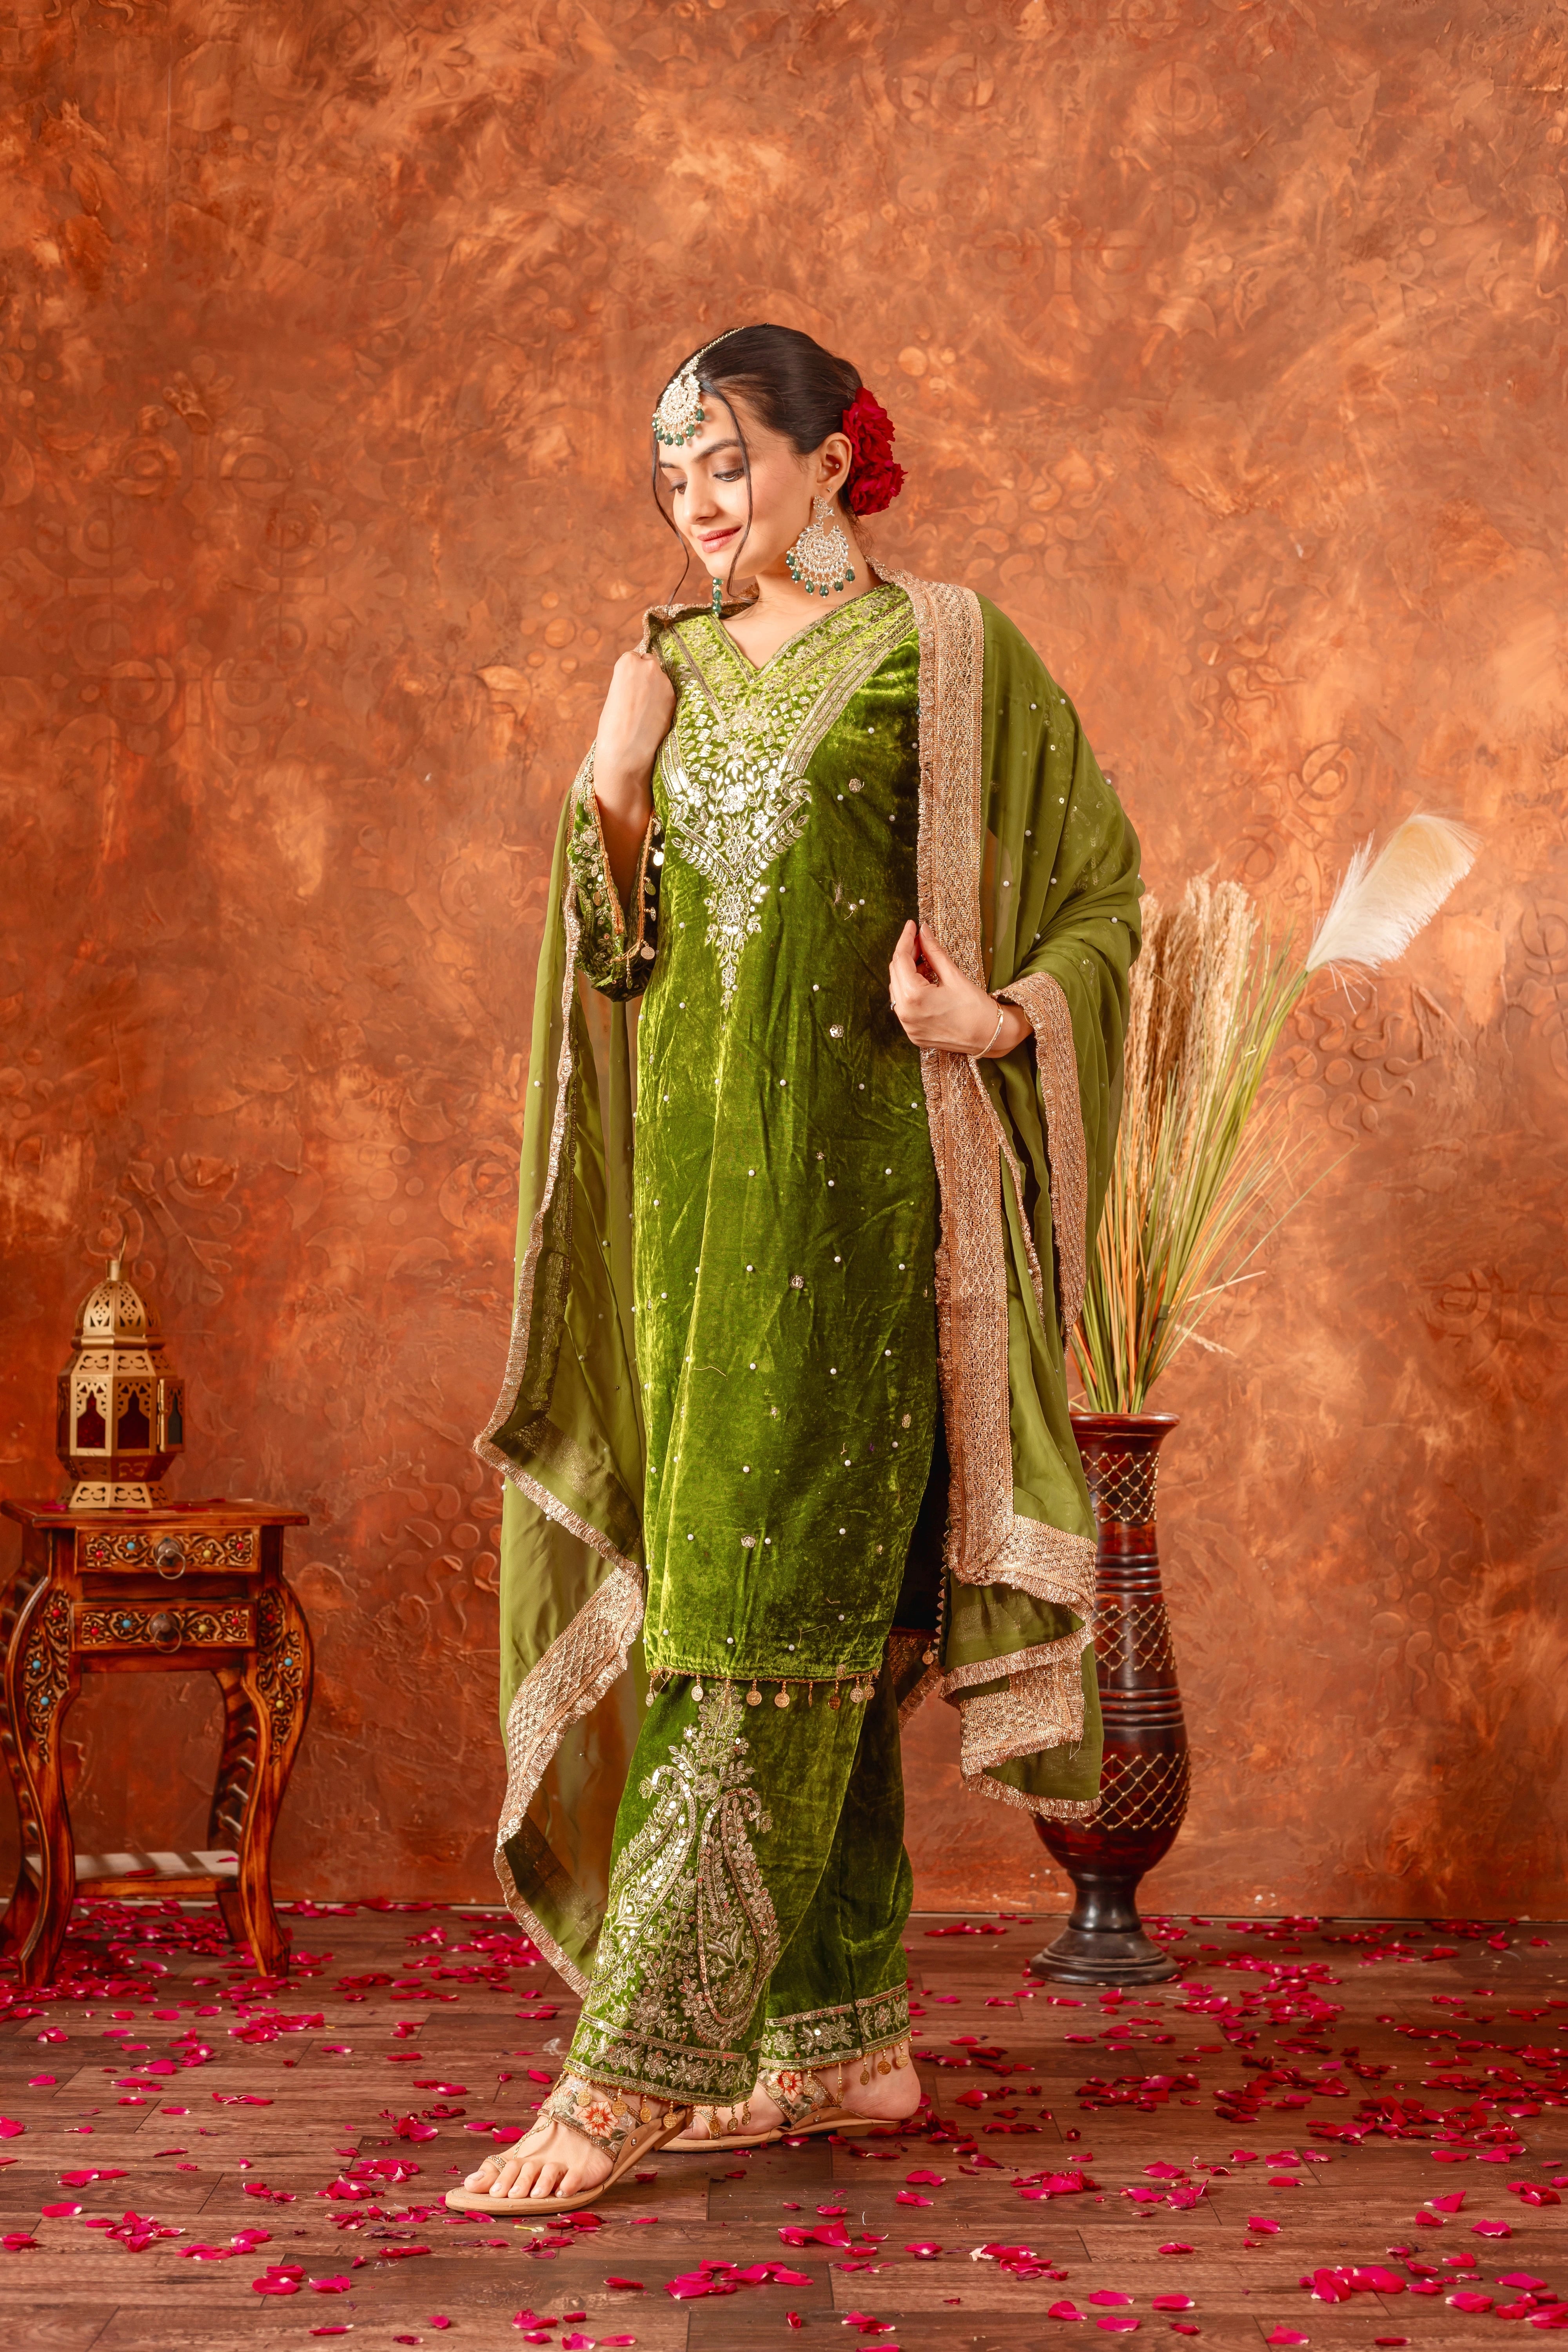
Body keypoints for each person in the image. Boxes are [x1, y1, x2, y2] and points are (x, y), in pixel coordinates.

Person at [449, 324, 1142, 2215]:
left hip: (862, 1222)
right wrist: (609, 791)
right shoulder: (662, 671)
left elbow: (1102, 891)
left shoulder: (946, 653)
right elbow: (618, 968)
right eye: (672, 476)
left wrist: (999, 1019)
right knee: (764, 1609)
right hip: (688, 1227)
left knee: (758, 1622)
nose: (698, 504)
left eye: (730, 462)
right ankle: (840, 2043)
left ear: (836, 459)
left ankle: (630, 2074)